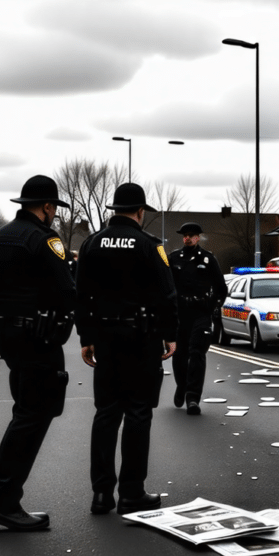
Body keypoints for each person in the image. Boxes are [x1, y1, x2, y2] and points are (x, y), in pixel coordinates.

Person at [0, 175, 76, 531]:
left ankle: (4, 498)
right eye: (54, 210)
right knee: (34, 416)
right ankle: (2, 499)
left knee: (25, 411)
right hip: (39, 339)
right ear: (48, 207)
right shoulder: (45, 239)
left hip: (9, 339)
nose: (54, 216)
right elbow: (65, 290)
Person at [76, 183, 177, 516]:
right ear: (140, 211)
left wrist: (86, 336)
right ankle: (132, 492)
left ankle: (101, 494)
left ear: (113, 210)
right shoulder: (149, 245)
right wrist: (169, 334)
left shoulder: (92, 243)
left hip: (105, 337)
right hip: (141, 338)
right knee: (137, 412)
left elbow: (81, 293)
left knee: (106, 414)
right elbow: (166, 293)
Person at [168, 222, 227, 415]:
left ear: (198, 237)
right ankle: (181, 385)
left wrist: (213, 307)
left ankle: (193, 397)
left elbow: (221, 287)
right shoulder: (174, 258)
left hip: (201, 312)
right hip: (180, 313)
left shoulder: (208, 259)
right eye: (185, 235)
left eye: (191, 235)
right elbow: (166, 286)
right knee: (179, 354)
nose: (187, 238)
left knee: (197, 353)